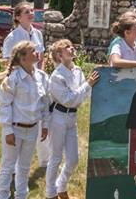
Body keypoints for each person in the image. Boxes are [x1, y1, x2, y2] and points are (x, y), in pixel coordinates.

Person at [0, 40, 51, 199]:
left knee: (24, 167)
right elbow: (4, 105)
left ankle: (21, 195)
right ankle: (2, 196)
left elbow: (45, 103)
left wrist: (45, 125)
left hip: (32, 129)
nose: (37, 52)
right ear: (22, 58)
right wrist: (7, 130)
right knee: (8, 166)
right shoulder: (13, 79)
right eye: (33, 51)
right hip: (15, 129)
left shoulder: (42, 77)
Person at [45, 39, 98, 199]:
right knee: (55, 157)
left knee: (74, 159)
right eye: (67, 47)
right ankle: (51, 193)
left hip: (72, 117)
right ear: (60, 56)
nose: (71, 48)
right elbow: (69, 99)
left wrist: (87, 87)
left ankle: (61, 186)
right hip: (58, 117)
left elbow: (83, 96)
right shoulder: (56, 76)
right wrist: (87, 85)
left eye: (71, 46)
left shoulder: (78, 71)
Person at [2, 2, 49, 167]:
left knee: (40, 118)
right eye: (26, 11)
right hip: (20, 83)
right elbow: (8, 62)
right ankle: (13, 166)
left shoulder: (38, 33)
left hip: (36, 81)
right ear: (17, 17)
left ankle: (44, 160)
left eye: (32, 11)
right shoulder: (13, 37)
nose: (31, 13)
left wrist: (39, 77)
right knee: (21, 120)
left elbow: (41, 58)